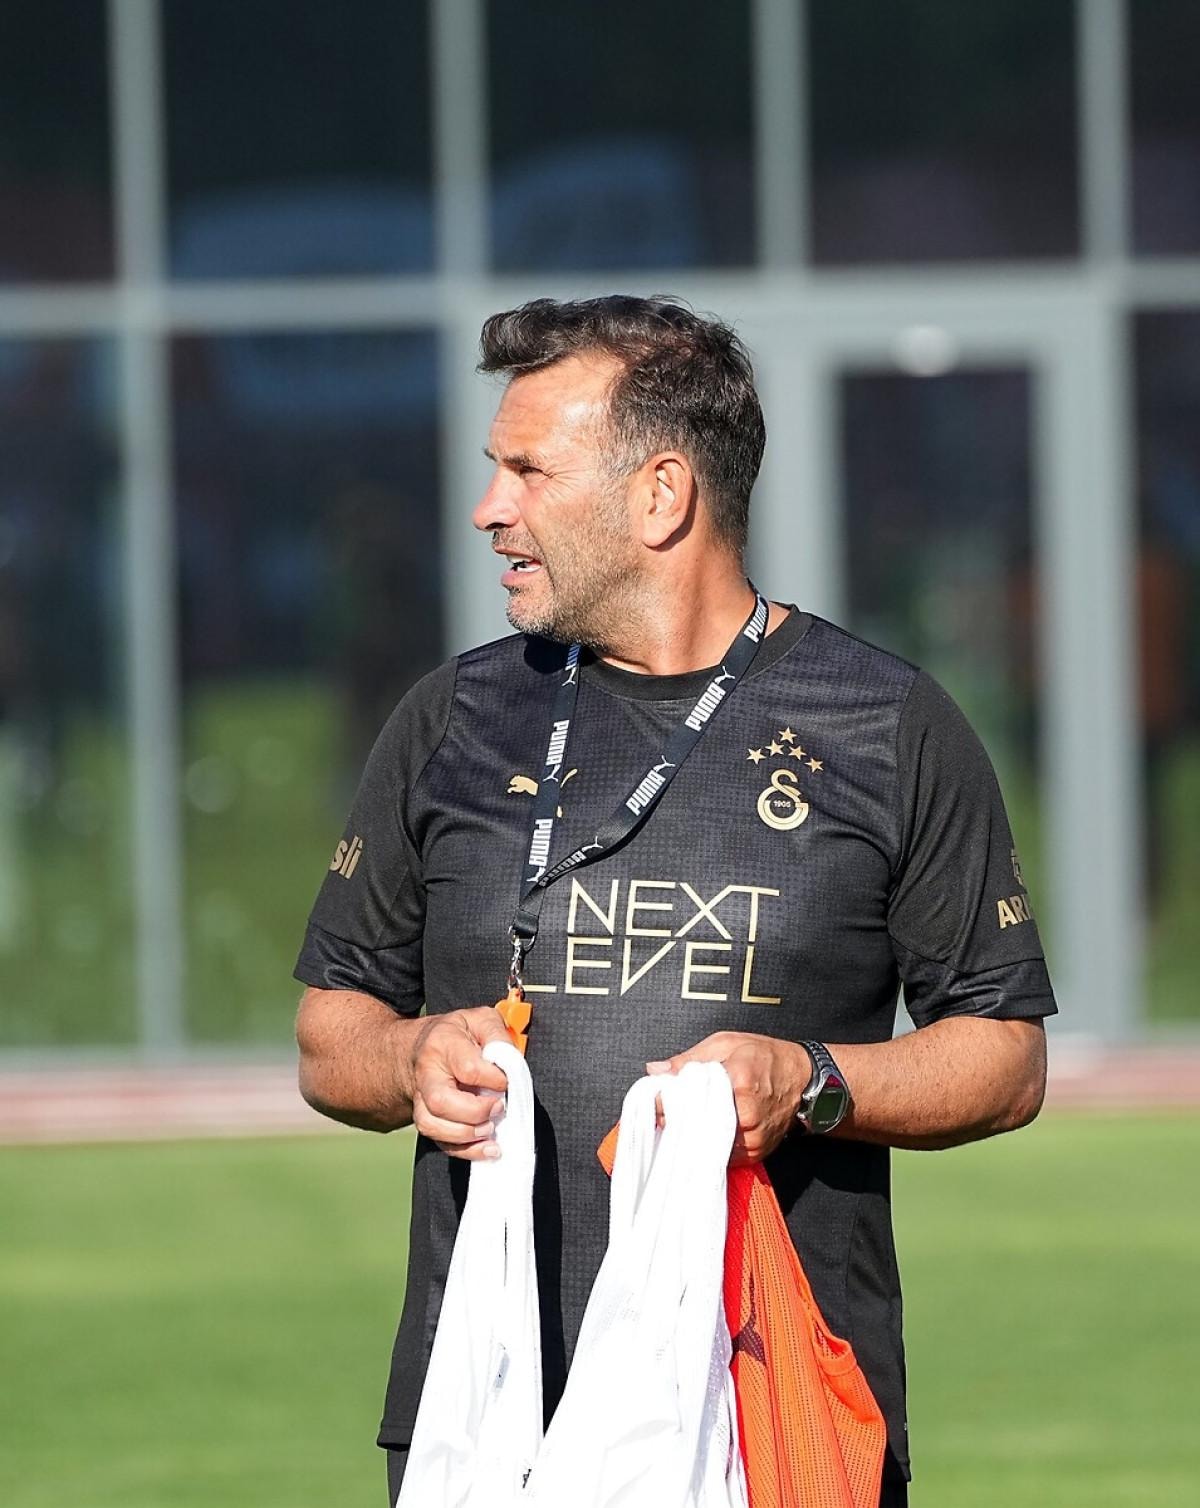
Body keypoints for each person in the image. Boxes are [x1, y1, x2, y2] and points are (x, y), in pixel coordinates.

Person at [294, 295, 1055, 1507]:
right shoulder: (450, 717)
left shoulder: (889, 724)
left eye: (529, 471)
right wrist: (407, 1057)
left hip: (778, 1417)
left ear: (661, 495)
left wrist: (808, 1080)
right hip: (484, 1416)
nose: (490, 508)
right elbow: (330, 1033)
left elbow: (1005, 1057)